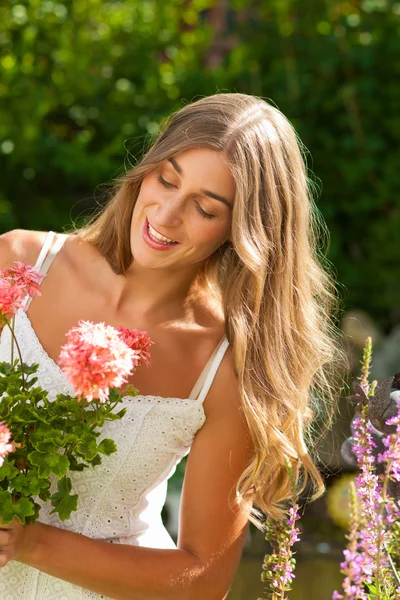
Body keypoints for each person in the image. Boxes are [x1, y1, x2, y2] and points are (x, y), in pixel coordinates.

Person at [0, 92, 347, 599]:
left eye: (205, 208)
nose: (166, 214)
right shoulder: (16, 261)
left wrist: (27, 542)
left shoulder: (226, 365)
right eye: (166, 179)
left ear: (241, 230)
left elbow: (203, 579)